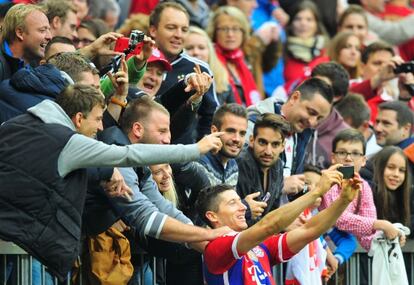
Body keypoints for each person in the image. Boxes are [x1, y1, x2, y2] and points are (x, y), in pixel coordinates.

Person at [0, 84, 225, 281]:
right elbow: (128, 158)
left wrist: (103, 171)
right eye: (98, 119)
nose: (101, 128)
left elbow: (161, 206)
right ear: (78, 118)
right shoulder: (68, 140)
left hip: (17, 239)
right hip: (25, 246)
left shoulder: (16, 125)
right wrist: (196, 149)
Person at [197, 166, 362, 284]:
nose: (242, 207)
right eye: (233, 203)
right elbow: (269, 225)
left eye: (240, 201)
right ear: (212, 216)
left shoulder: (260, 247)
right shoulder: (216, 248)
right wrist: (316, 192)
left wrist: (344, 200)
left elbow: (308, 230)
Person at [320, 128, 404, 251]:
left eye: (355, 153)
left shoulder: (364, 186)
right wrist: (380, 225)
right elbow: (339, 219)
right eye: (342, 153)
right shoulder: (327, 180)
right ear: (333, 157)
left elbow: (367, 237)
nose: (348, 158)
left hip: (342, 258)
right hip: (317, 249)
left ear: (364, 160)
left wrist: (389, 238)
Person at [247, 77, 333, 195]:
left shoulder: (303, 133)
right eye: (311, 112)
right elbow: (239, 178)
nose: (313, 122)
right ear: (294, 98)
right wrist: (279, 185)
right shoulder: (253, 123)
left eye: (319, 119)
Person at [149, 2, 219, 141]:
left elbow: (210, 116)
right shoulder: (135, 61)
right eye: (171, 28)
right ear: (153, 30)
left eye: (184, 29)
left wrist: (199, 150)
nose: (178, 35)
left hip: (181, 156)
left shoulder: (199, 69)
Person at [236, 113, 290, 223]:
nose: (268, 152)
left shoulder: (278, 165)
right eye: (262, 142)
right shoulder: (242, 163)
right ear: (252, 140)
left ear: (282, 147)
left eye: (275, 144)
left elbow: (273, 211)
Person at [207, 6, 262, 106]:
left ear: (243, 32)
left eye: (236, 29)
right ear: (214, 32)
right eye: (224, 29)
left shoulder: (248, 59)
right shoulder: (208, 60)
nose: (230, 34)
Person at [283, 1, 329, 92]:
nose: (303, 23)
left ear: (317, 24)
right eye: (298, 19)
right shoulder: (281, 51)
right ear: (291, 23)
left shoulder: (327, 51)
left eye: (309, 19)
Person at [184, 25, 234, 105]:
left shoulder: (222, 76)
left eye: (201, 48)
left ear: (210, 51)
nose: (196, 52)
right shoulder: (177, 79)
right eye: (189, 48)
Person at [0, 4, 52, 81]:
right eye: (42, 30)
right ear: (20, 33)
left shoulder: (35, 67)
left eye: (49, 30)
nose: (50, 37)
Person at [372, 146, 411, 230]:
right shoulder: (367, 194)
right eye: (390, 167)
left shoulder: (405, 197)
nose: (396, 174)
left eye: (401, 170)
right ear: (379, 167)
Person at [336, 93, 382, 157]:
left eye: (345, 130)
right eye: (336, 126)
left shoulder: (378, 156)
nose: (338, 133)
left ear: (364, 126)